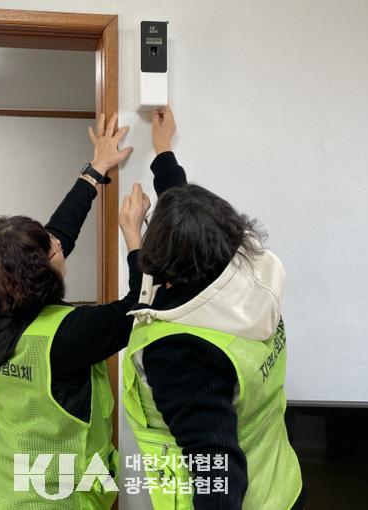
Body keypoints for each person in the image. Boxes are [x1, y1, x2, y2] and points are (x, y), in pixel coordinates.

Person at [0, 113, 150, 509]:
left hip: (5, 489)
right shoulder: (67, 334)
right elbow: (140, 307)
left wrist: (95, 171)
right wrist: (133, 236)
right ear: (40, 273)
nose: (59, 244)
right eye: (53, 249)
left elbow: (58, 234)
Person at [122, 107, 305, 509]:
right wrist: (163, 152)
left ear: (164, 268)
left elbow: (218, 473)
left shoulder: (179, 351)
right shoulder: (249, 279)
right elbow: (191, 231)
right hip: (282, 484)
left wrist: (135, 242)